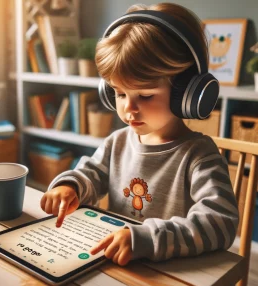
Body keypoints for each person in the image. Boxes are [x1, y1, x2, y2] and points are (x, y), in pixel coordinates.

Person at [40, 2, 238, 266]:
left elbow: (220, 223)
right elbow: (91, 174)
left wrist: (147, 239)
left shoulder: (200, 156)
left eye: (145, 95)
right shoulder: (118, 142)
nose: (128, 108)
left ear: (186, 94)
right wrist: (70, 186)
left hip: (170, 274)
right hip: (120, 265)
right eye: (120, 93)